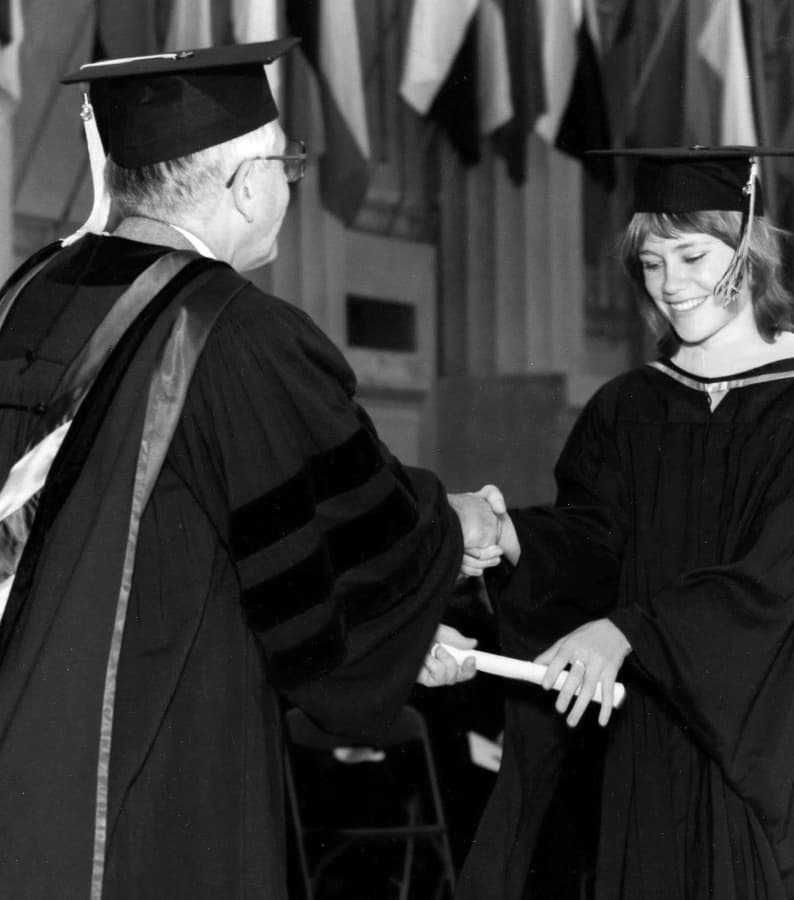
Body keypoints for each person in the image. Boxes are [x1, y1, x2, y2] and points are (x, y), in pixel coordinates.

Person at [0, 40, 496, 899]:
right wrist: (451, 533)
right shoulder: (230, 331)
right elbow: (338, 546)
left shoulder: (28, 294)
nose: (290, 185)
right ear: (244, 183)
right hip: (149, 773)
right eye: (288, 164)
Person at [457, 147, 794, 899]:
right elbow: (595, 542)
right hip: (645, 731)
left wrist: (630, 631)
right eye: (652, 264)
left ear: (748, 249)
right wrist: (512, 538)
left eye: (691, 255)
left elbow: (777, 578)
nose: (671, 285)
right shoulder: (629, 407)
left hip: (770, 735)